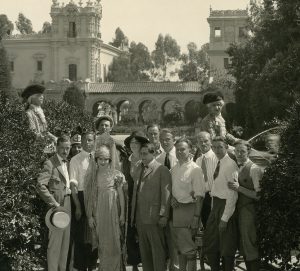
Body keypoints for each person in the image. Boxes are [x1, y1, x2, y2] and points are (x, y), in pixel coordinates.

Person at [84, 142, 126, 271]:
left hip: (113, 210)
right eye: (100, 159)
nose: (103, 162)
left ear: (110, 159)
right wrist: (90, 216)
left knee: (115, 241)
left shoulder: (117, 174)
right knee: (103, 242)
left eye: (106, 159)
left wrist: (122, 213)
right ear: (96, 159)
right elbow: (90, 197)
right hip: (99, 212)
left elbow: (121, 195)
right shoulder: (92, 176)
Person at [131, 143, 171, 271]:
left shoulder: (162, 170)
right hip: (140, 219)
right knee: (145, 253)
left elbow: (166, 195)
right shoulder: (139, 169)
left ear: (153, 153)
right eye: (140, 154)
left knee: (157, 252)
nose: (142, 156)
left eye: (145, 154)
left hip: (154, 218)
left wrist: (164, 215)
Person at [36, 135, 72, 271]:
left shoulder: (68, 163)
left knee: (65, 244)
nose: (65, 151)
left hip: (68, 204)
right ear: (57, 147)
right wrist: (54, 203)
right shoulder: (50, 163)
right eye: (62, 148)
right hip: (56, 208)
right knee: (55, 244)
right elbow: (40, 186)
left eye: (67, 148)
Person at [203, 136, 238, 271]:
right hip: (216, 207)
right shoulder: (219, 163)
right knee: (212, 245)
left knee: (227, 248)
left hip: (226, 209)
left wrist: (225, 218)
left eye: (220, 147)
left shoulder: (230, 165)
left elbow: (233, 194)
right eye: (215, 147)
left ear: (227, 148)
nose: (217, 150)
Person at [228, 140, 263, 271]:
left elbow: (259, 195)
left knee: (249, 244)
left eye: (242, 151)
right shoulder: (236, 167)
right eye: (237, 151)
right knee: (243, 245)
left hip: (249, 210)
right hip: (238, 210)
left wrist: (239, 188)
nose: (239, 154)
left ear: (248, 151)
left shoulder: (254, 169)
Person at [171, 138, 205, 271]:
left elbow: (199, 196)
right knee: (180, 248)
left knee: (190, 250)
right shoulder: (174, 168)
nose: (179, 152)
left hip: (190, 211)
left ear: (190, 150)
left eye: (183, 149)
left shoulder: (195, 169)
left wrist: (196, 217)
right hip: (177, 211)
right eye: (177, 149)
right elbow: (174, 188)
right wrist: (172, 198)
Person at [69, 131, 98, 271]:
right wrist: (78, 206)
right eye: (85, 140)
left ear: (94, 141)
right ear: (82, 142)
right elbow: (73, 185)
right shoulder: (75, 160)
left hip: (96, 197)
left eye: (90, 140)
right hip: (80, 197)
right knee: (81, 236)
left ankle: (92, 265)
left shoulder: (99, 158)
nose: (88, 142)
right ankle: (81, 267)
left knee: (94, 235)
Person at [123, 131, 150, 271]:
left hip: (142, 198)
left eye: (137, 143)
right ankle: (133, 262)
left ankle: (144, 260)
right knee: (130, 230)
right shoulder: (127, 160)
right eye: (132, 143)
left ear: (141, 145)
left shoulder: (145, 159)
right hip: (129, 199)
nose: (134, 145)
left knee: (142, 230)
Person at [195, 132, 218, 270]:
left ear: (210, 142)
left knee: (214, 231)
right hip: (203, 199)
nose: (203, 144)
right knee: (206, 232)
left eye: (205, 141)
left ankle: (215, 261)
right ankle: (208, 260)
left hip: (215, 198)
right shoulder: (198, 160)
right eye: (200, 141)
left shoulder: (216, 158)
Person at [156, 128, 178, 271]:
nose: (164, 142)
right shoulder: (158, 159)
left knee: (176, 238)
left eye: (168, 139)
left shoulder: (182, 155)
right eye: (162, 139)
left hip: (178, 203)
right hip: (163, 203)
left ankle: (176, 266)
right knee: (164, 237)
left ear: (174, 140)